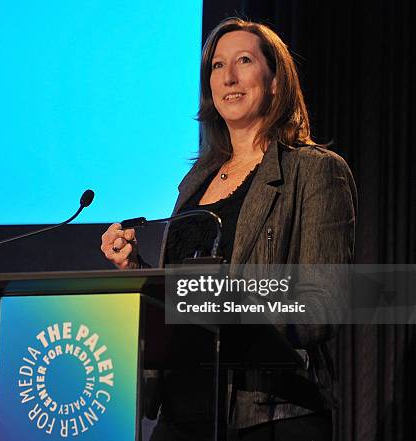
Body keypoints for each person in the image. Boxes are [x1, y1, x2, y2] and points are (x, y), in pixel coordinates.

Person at [100, 17, 356, 441]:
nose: (229, 77)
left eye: (243, 61)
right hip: (181, 409)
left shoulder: (315, 172)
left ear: (275, 82)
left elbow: (322, 303)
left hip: (269, 413)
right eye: (217, 66)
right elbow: (182, 297)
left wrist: (232, 303)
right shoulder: (195, 182)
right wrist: (134, 269)